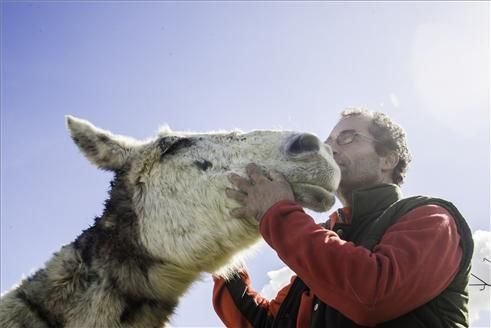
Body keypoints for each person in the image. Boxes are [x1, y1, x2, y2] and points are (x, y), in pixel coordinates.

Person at [212, 108, 474, 327]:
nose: (329, 149)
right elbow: (265, 323)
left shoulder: (432, 218)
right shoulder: (324, 247)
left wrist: (278, 212)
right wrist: (220, 245)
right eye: (328, 142)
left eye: (347, 138)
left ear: (388, 159)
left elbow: (372, 295)